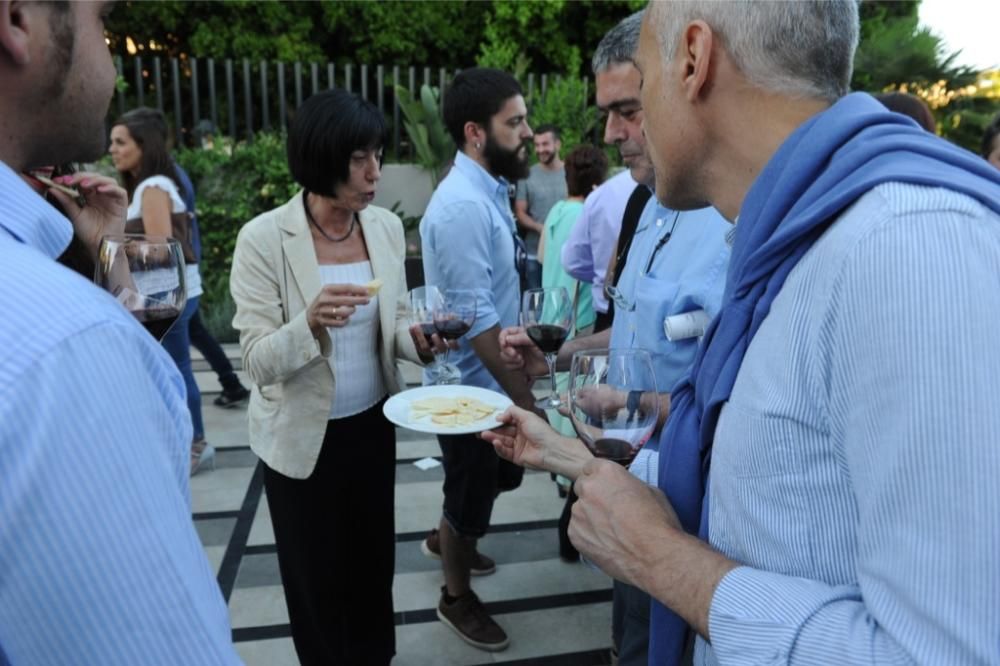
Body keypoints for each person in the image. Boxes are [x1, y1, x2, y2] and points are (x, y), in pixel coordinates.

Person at [490, 2, 1000, 664]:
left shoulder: (906, 247)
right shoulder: (797, 238)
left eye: (643, 83)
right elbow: (767, 494)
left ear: (694, 58)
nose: (625, 126)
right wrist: (568, 457)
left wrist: (661, 560)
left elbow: (944, 653)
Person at [0, 1, 238, 662]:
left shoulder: (66, 328)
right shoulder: (66, 347)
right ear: (17, 20)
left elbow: (156, 257)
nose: (110, 52)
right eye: (102, 19)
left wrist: (110, 259)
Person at [229, 88, 426, 666]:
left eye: (379, 155)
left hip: (372, 427)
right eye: (360, 158)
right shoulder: (263, 239)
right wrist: (309, 323)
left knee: (372, 574)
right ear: (322, 156)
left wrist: (418, 340)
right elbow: (256, 359)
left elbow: (398, 321)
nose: (376, 173)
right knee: (315, 586)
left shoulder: (385, 228)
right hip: (300, 444)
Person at [416, 67, 539, 652]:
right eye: (514, 122)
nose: (527, 132)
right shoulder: (463, 207)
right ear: (474, 132)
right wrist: (522, 397)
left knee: (494, 480)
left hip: (486, 380)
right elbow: (479, 323)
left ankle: (448, 537)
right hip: (468, 391)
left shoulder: (488, 191)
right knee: (472, 495)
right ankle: (455, 595)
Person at [109, 107, 214, 474]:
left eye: (121, 142)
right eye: (112, 142)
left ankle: (195, 443)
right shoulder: (145, 187)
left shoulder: (153, 188)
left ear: (143, 144)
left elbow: (157, 248)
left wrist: (110, 246)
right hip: (164, 294)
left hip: (166, 294)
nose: (113, 149)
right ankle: (190, 440)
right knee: (175, 367)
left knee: (177, 369)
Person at [561, 11, 649, 333]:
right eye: (608, 114)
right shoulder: (645, 201)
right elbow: (632, 332)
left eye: (628, 112)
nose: (610, 135)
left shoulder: (729, 212)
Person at [537, 144, 608, 334]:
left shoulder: (555, 210)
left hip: (550, 316)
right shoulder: (588, 215)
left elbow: (542, 257)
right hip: (579, 320)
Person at [515, 124, 567, 291]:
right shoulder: (526, 175)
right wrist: (541, 228)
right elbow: (520, 212)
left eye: (545, 144)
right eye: (537, 145)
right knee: (535, 308)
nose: (540, 149)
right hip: (534, 253)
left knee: (562, 304)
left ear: (557, 144)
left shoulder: (571, 172)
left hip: (564, 252)